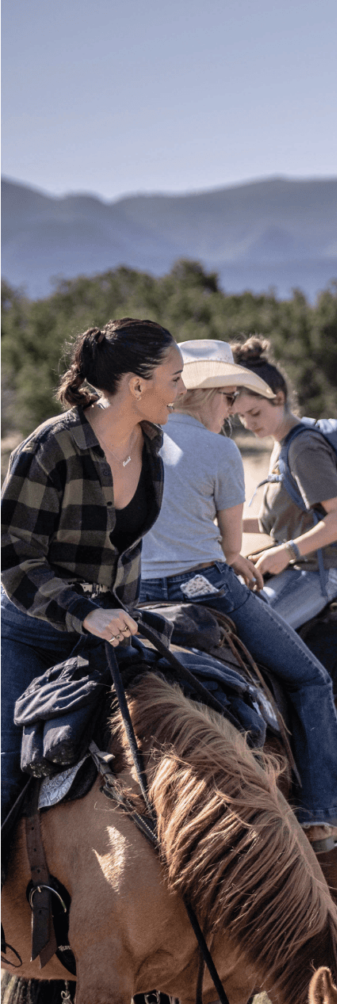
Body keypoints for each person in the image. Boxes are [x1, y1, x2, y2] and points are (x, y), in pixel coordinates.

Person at [137, 340, 337, 843]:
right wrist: (238, 560)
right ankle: (323, 809)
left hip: (136, 594)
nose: (232, 411)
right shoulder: (219, 449)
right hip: (203, 587)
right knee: (310, 679)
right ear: (211, 394)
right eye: (230, 398)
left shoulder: (138, 439)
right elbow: (232, 546)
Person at [2, 318, 185, 816]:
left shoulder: (152, 448)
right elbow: (14, 554)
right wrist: (86, 612)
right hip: (29, 636)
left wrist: (118, 616)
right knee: (5, 785)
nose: (183, 391)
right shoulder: (50, 447)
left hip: (109, 638)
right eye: (175, 379)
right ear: (137, 385)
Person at [228, 337, 337, 629]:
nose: (248, 424)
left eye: (254, 413)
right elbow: (282, 522)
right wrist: (221, 525)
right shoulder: (282, 443)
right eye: (241, 415)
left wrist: (288, 551)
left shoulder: (303, 447)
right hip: (304, 568)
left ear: (278, 398)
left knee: (252, 634)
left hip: (324, 573)